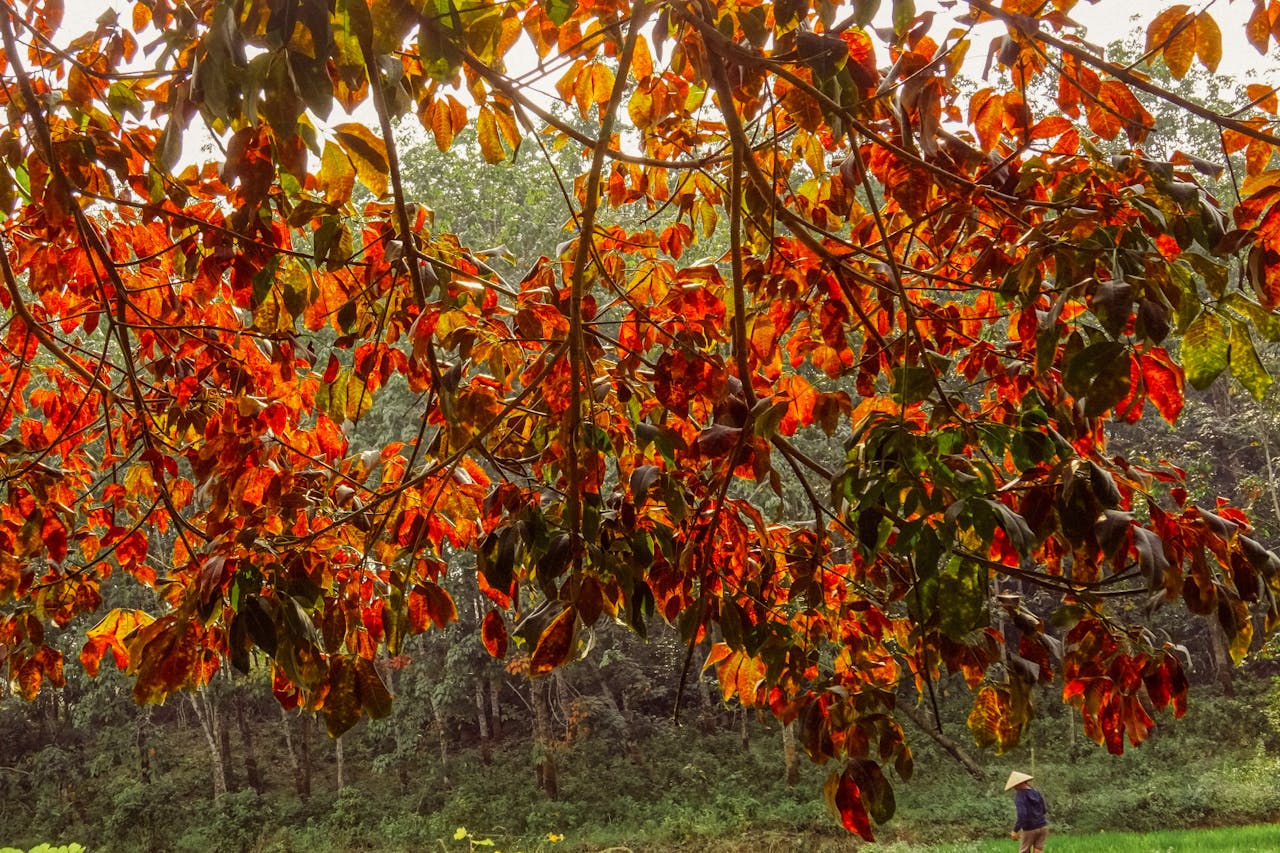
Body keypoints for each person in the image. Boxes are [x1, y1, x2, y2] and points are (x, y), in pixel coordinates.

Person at [1005, 770, 1048, 853]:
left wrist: (1015, 830)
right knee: (1038, 850)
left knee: (1024, 851)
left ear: (1019, 783)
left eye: (1015, 786)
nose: (1014, 788)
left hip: (1030, 829)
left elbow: (1022, 815)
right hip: (1043, 826)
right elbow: (1044, 810)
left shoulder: (1020, 796)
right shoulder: (1036, 792)